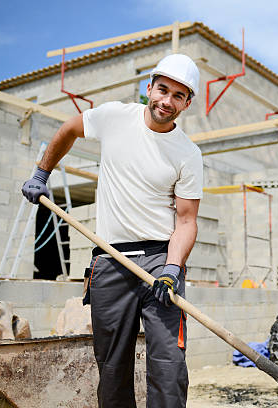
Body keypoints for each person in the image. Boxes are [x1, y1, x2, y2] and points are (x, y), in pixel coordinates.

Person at [21, 54, 203, 407]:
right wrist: (42, 173)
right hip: (110, 260)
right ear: (149, 87)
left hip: (160, 264)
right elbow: (69, 129)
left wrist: (172, 268)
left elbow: (186, 221)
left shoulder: (187, 154)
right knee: (112, 367)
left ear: (187, 103)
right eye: (162, 89)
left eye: (178, 96)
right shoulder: (114, 118)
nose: (167, 101)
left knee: (169, 367)